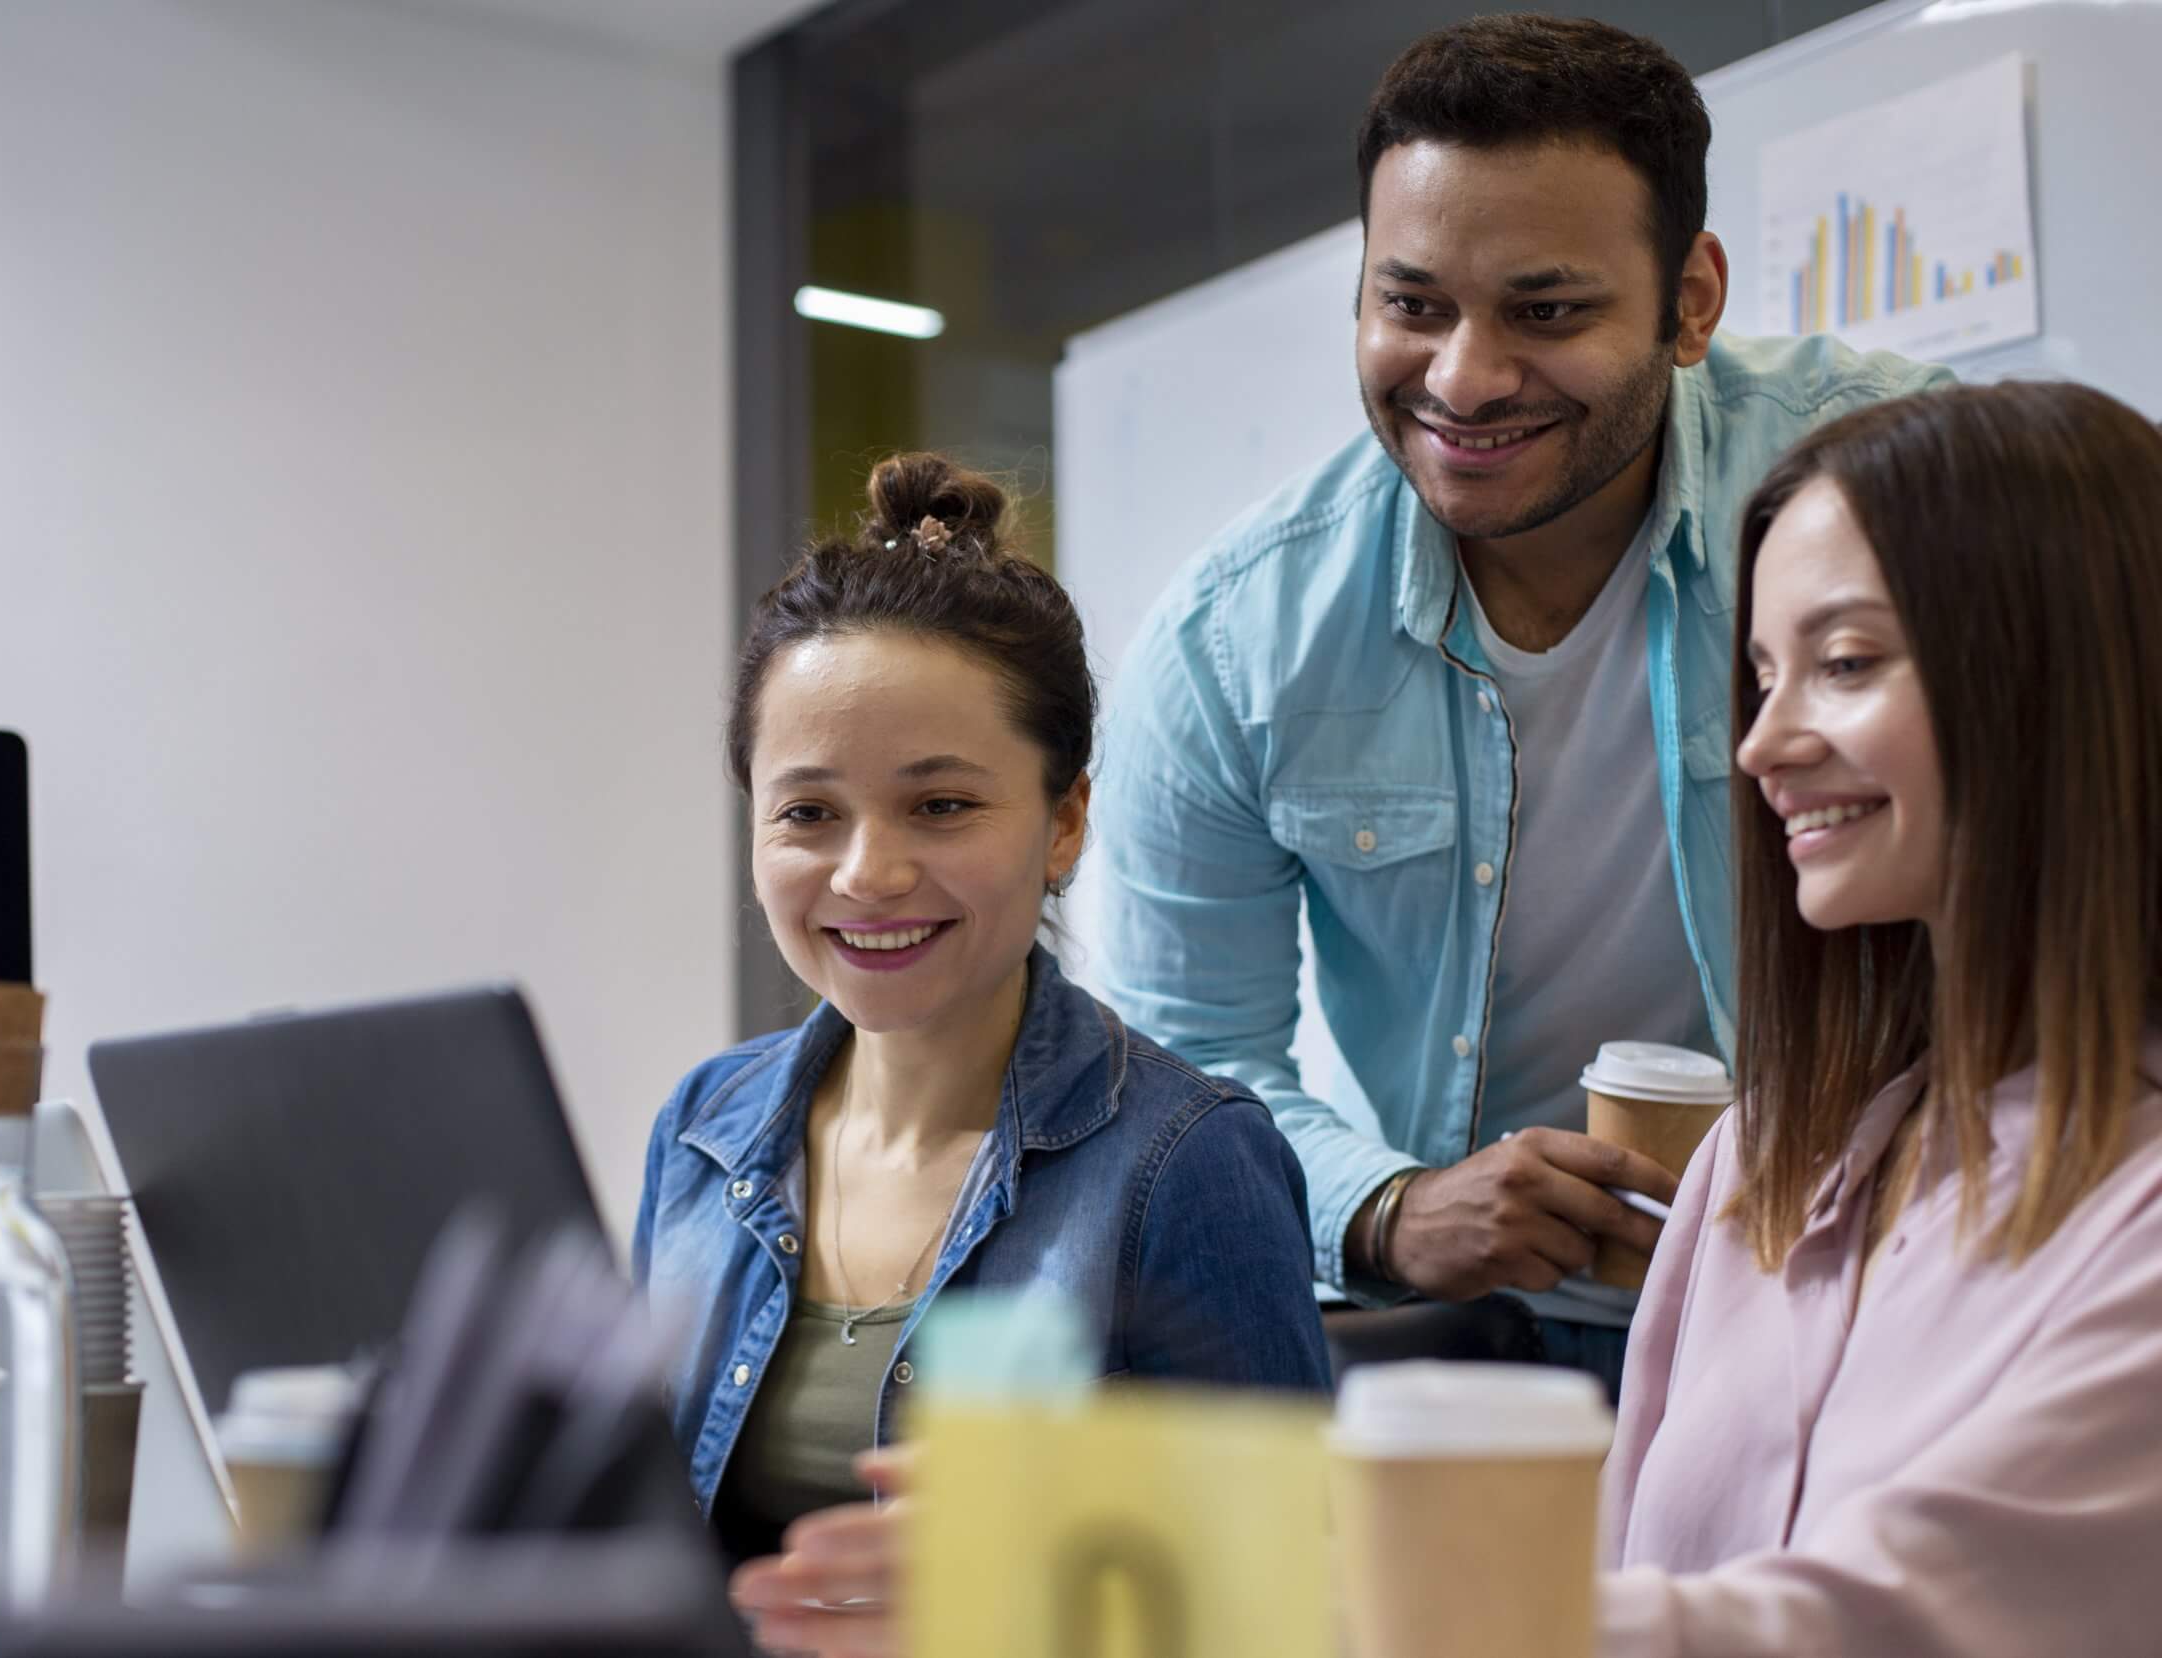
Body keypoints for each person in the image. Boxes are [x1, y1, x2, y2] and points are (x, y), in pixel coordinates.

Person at [1083, 13, 1950, 1392]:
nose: (1465, 378)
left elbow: (2081, 808)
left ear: (1692, 300)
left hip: (1893, 1281)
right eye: (1412, 304)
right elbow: (1180, 1065)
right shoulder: (1237, 642)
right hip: (1510, 1338)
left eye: (1547, 312)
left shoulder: (1891, 478)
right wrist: (1388, 1207)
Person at [631, 452, 1331, 1566]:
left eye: (941, 804)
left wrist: (1016, 1585)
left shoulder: (1184, 1159)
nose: (866, 872)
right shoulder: (703, 1128)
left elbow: (1293, 1591)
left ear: (1063, 824)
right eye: (808, 810)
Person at [1599, 381, 2162, 1653]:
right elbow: (1619, 1548)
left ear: (2058, 674)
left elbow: (1888, 1624)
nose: (1760, 744)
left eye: (1844, 663)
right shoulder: (1761, 1153)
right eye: (1761, 675)